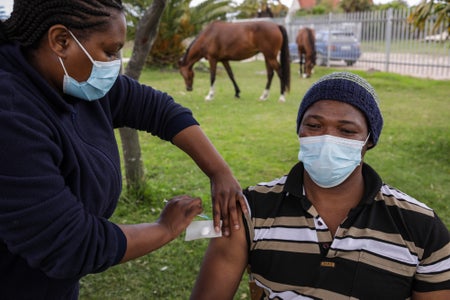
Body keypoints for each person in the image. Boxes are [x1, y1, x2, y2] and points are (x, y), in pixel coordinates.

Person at [0, 1, 246, 299]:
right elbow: (71, 244)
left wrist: (218, 171)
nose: (116, 64)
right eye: (110, 51)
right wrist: (164, 228)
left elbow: (158, 109)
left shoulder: (71, 78)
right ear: (61, 41)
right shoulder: (11, 116)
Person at [190, 72, 450, 299]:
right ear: (299, 130)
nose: (327, 139)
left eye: (347, 131)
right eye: (314, 125)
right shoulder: (250, 209)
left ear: (369, 140)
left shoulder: (422, 228)